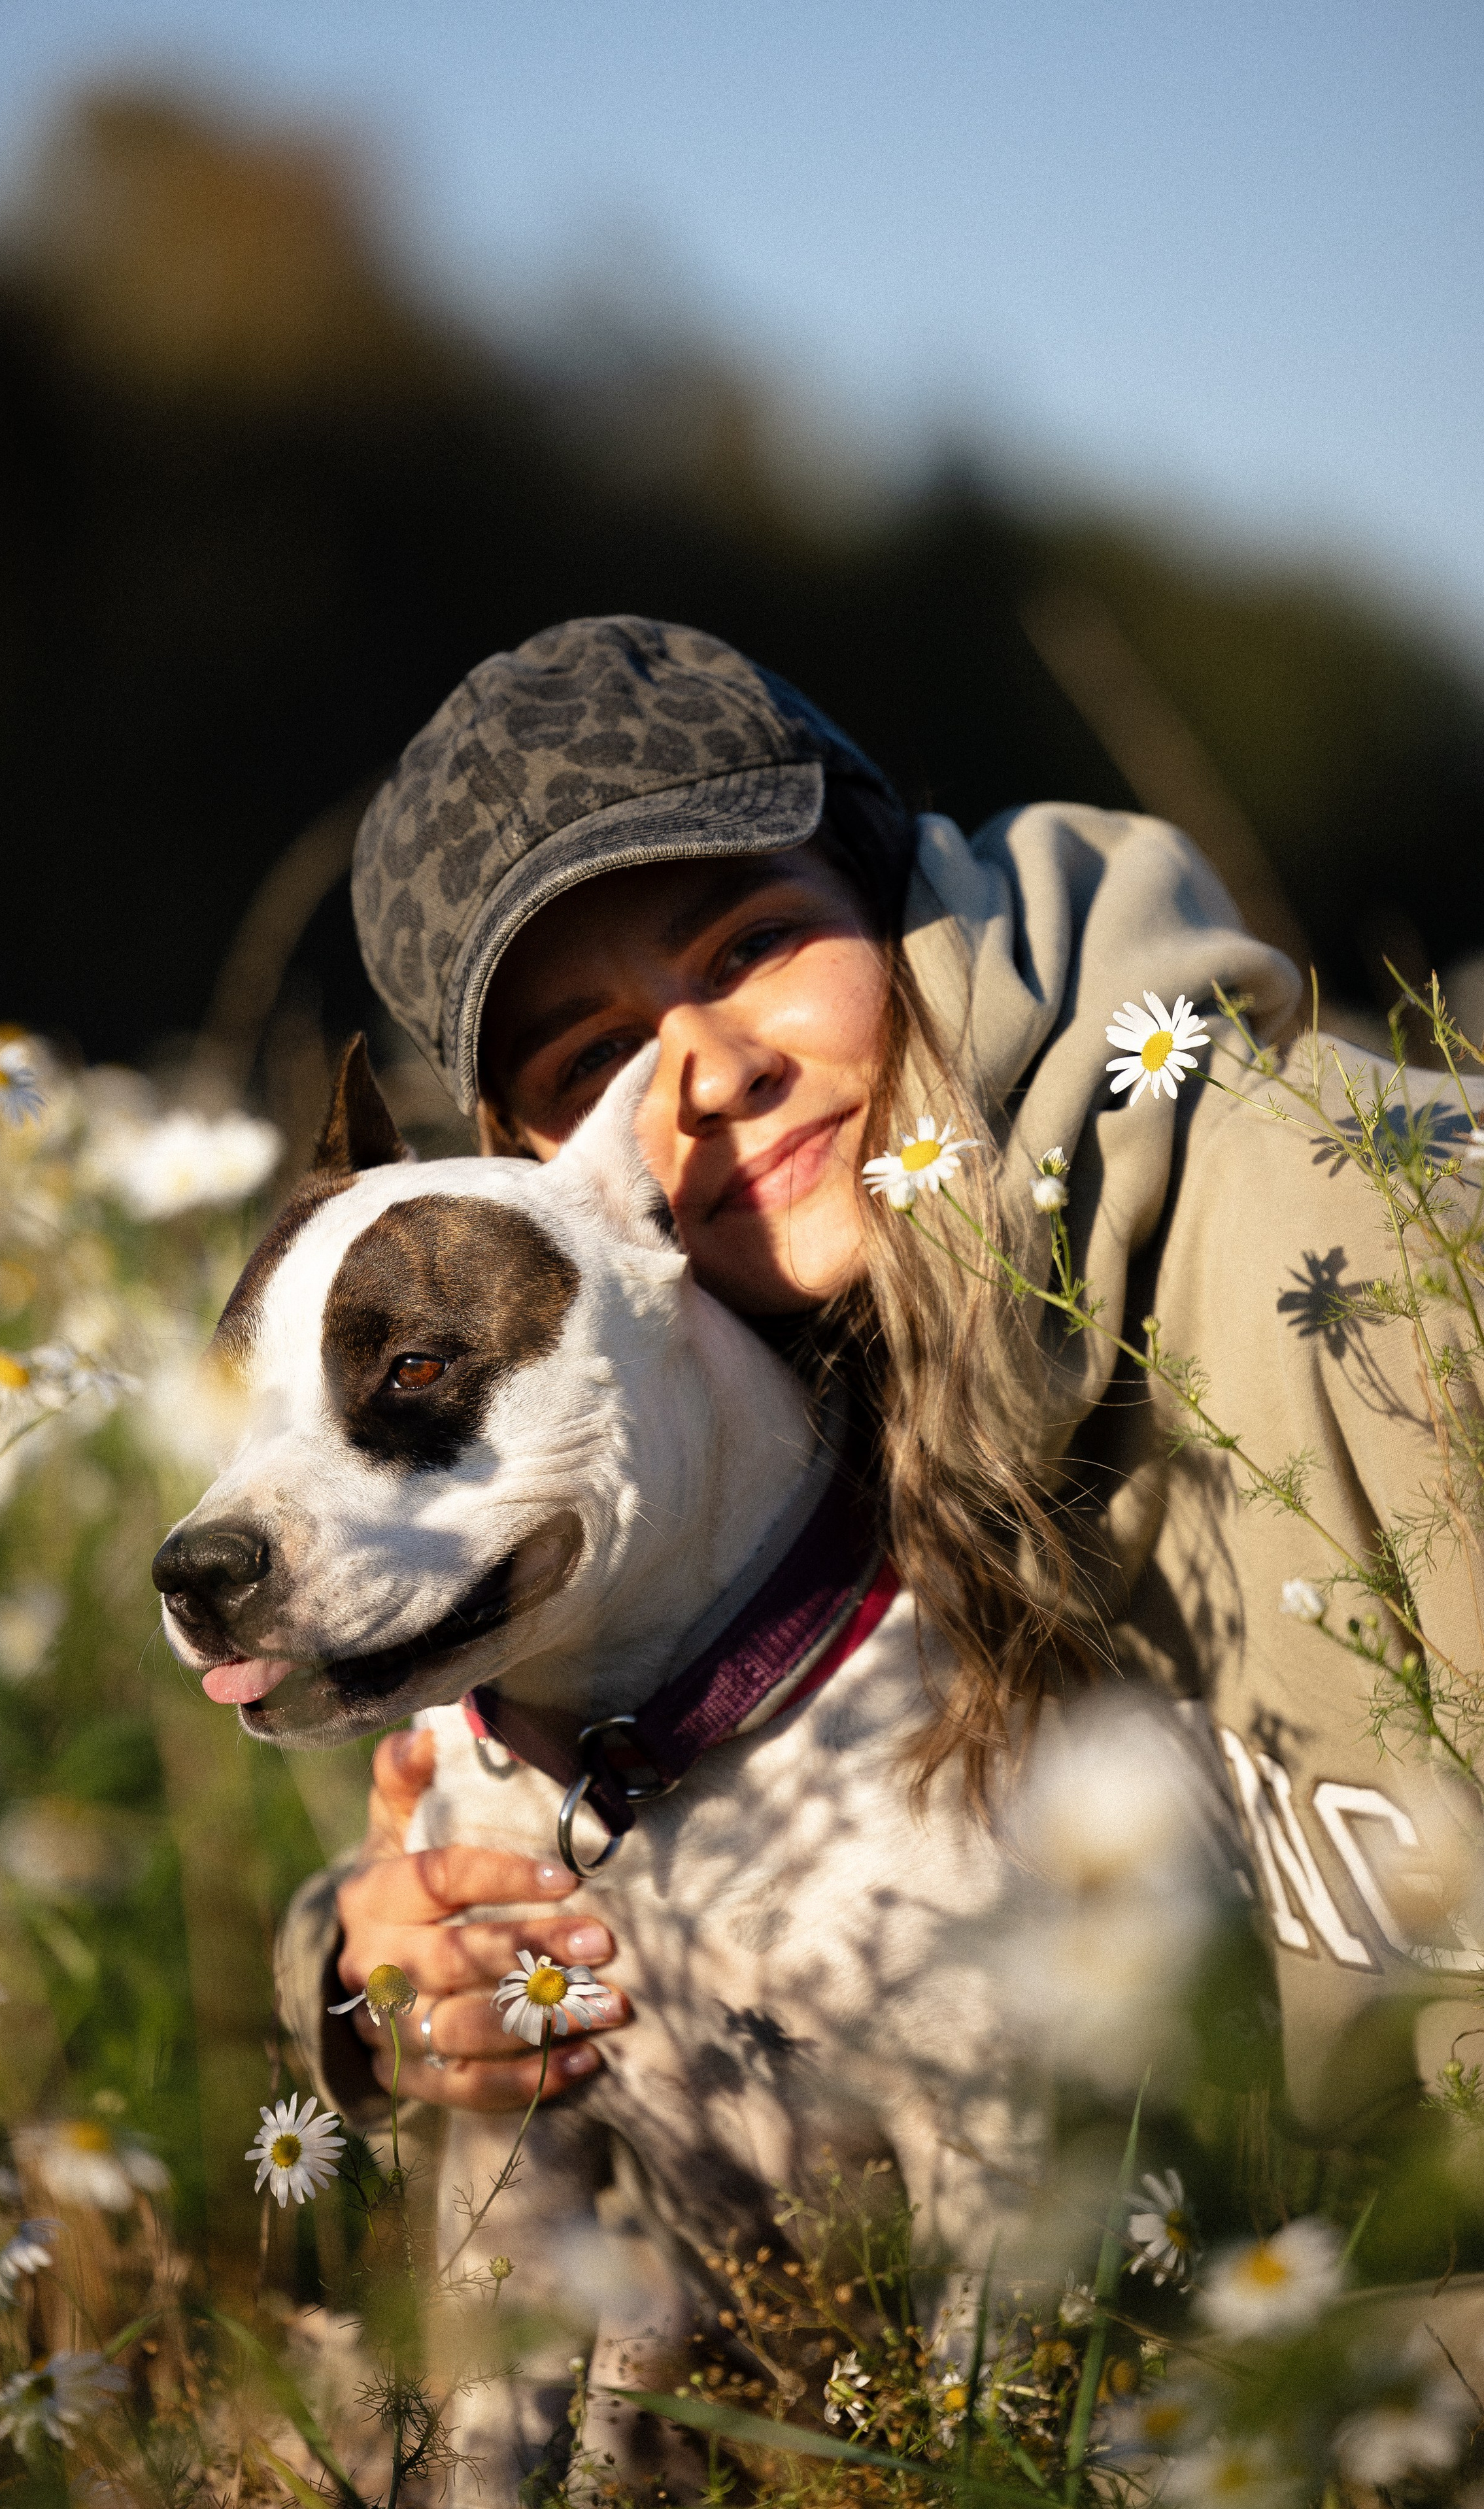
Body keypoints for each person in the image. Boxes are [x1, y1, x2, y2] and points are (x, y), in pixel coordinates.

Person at [276, 613, 1482, 2147]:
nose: (707, 1066)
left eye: (751, 944)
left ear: (891, 892)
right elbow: (562, 1825)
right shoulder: (701, 1397)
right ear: (539, 1182)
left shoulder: (1372, 1255)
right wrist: (366, 1959)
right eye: (593, 1059)